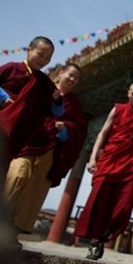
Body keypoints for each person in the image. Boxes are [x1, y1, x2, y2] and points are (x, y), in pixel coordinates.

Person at [74, 81, 133, 261]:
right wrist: (93, 158)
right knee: (99, 202)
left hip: (130, 166)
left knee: (123, 206)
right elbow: (103, 133)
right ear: (128, 93)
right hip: (109, 161)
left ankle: (104, 237)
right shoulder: (118, 110)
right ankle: (95, 241)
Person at [3, 63, 88, 236]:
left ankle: (14, 231)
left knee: (35, 188)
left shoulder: (75, 105)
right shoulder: (42, 88)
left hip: (51, 149)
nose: (72, 79)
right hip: (29, 142)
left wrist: (65, 130)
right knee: (17, 175)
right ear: (61, 73)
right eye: (71, 74)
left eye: (76, 78)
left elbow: (79, 131)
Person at [0, 36, 63, 164]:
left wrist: (57, 100)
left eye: (48, 58)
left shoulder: (45, 82)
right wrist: (3, 98)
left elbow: (58, 111)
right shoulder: (12, 68)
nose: (43, 60)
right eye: (40, 55)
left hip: (18, 135)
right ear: (28, 50)